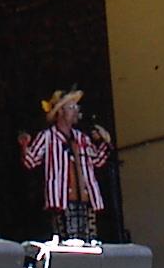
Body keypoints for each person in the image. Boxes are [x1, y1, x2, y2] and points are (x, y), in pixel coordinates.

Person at [18, 88, 111, 243]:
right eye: (71, 107)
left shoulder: (82, 138)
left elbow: (98, 161)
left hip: (86, 200)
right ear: (60, 112)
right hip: (61, 201)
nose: (76, 111)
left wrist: (105, 142)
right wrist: (24, 146)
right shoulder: (47, 137)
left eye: (76, 107)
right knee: (67, 245)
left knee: (90, 245)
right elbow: (30, 161)